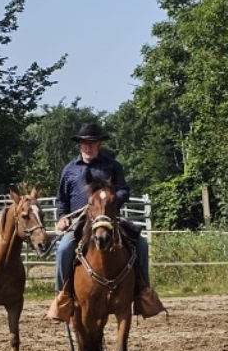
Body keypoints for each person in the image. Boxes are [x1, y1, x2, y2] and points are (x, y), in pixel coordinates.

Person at [46, 121, 152, 322]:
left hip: (109, 219)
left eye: (93, 143)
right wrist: (62, 217)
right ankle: (62, 297)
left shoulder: (112, 166)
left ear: (99, 145)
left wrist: (110, 201)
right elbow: (62, 199)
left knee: (141, 243)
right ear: (79, 144)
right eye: (85, 143)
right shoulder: (69, 170)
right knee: (64, 248)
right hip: (79, 221)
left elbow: (124, 190)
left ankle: (143, 292)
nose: (88, 147)